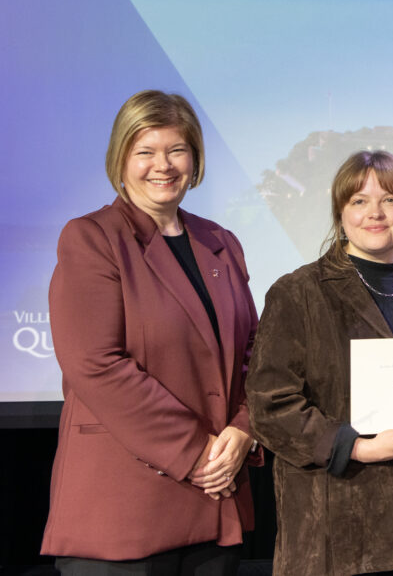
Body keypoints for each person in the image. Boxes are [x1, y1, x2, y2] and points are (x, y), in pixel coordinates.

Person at [42, 90, 260, 574]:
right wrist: (197, 452)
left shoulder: (221, 242)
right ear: (121, 159)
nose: (163, 165)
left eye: (176, 150)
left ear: (195, 160)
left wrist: (245, 430)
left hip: (216, 502)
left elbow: (255, 352)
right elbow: (96, 365)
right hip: (125, 511)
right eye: (145, 151)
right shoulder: (92, 238)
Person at [246, 150, 393, 576]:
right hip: (333, 534)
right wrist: (356, 447)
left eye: (390, 199)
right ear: (340, 212)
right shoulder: (298, 293)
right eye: (359, 201)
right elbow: (270, 408)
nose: (376, 212)